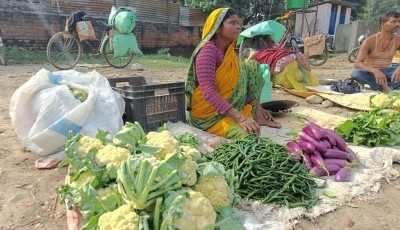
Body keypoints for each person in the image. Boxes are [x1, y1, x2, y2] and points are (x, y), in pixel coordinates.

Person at [186, 8, 281, 139]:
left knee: (253, 67)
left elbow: (237, 83)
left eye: (238, 23)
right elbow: (208, 92)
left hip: (227, 106)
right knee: (246, 135)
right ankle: (241, 117)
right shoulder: (208, 52)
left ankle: (258, 114)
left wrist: (255, 107)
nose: (238, 27)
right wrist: (241, 117)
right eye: (232, 23)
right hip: (209, 114)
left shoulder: (229, 50)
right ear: (217, 28)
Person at [351, 11, 400, 93]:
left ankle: (386, 85)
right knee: (356, 74)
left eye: (399, 22)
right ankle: (384, 85)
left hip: (387, 71)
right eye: (393, 22)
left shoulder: (398, 40)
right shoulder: (369, 41)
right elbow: (357, 63)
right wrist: (375, 71)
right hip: (370, 73)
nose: (397, 24)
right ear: (382, 24)